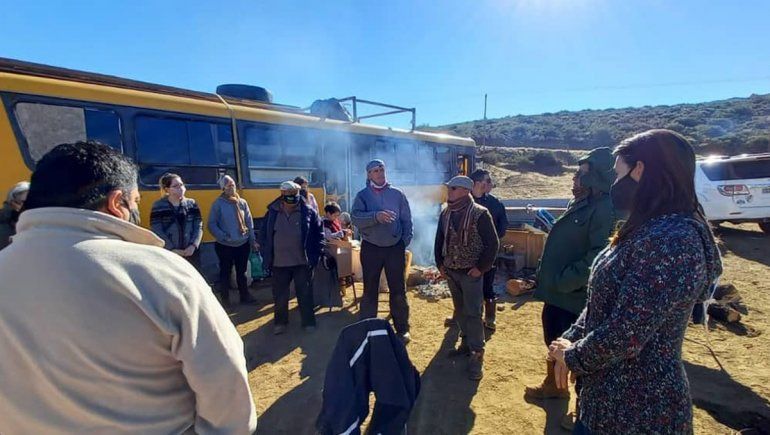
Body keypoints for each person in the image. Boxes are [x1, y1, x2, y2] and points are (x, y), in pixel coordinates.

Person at [0, 141, 256, 433]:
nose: (136, 210)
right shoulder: (160, 273)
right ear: (116, 203)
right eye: (135, 202)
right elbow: (225, 380)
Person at [548, 130, 722, 434]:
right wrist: (570, 337)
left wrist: (573, 355)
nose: (615, 184)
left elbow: (627, 332)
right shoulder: (648, 228)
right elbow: (602, 302)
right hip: (604, 405)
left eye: (618, 173)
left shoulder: (674, 241)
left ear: (640, 170)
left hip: (640, 414)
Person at [524, 147, 617, 407]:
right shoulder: (581, 203)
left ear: (597, 177)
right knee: (554, 339)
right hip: (558, 293)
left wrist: (566, 280)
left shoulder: (606, 208)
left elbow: (600, 254)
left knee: (574, 348)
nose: (575, 179)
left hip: (573, 295)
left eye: (582, 175)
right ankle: (554, 386)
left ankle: (581, 406)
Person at [435, 176, 499, 380]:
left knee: (473, 313)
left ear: (464, 191)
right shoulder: (446, 213)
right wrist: (440, 264)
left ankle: (477, 356)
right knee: (460, 311)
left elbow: (492, 245)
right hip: (452, 271)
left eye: (452, 189)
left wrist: (480, 268)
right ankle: (465, 343)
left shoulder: (480, 214)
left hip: (471, 273)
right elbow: (439, 240)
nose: (449, 192)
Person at [352, 159, 414, 344]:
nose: (380, 173)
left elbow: (407, 220)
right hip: (371, 247)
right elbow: (355, 217)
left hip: (394, 248)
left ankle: (402, 329)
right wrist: (375, 216)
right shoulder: (362, 195)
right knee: (370, 290)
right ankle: (368, 329)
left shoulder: (397, 194)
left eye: (381, 169)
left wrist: (404, 242)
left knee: (398, 290)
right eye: (375, 170)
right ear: (369, 175)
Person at [260, 181, 323, 334]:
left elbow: (318, 236)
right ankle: (280, 323)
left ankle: (308, 322)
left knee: (305, 293)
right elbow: (263, 236)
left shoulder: (308, 212)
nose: (292, 197)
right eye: (288, 194)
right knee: (280, 295)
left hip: (302, 262)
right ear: (282, 194)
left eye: (295, 193)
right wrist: (266, 255)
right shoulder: (272, 212)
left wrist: (315, 257)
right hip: (279, 263)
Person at [208, 174, 258, 305]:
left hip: (242, 244)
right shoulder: (218, 204)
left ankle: (244, 296)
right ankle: (225, 300)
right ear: (223, 188)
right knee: (225, 272)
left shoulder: (242, 203)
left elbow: (249, 222)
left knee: (242, 273)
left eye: (233, 185)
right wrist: (224, 236)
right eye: (228, 186)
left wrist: (252, 240)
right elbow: (211, 224)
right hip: (225, 246)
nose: (232, 188)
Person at [469, 169, 508, 330]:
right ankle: (460, 315)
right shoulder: (463, 201)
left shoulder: (495, 204)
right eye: (487, 181)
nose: (490, 184)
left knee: (487, 287)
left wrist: (489, 242)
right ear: (479, 183)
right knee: (464, 288)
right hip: (466, 254)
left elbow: (502, 228)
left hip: (487, 254)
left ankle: (490, 317)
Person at [150, 173, 203, 271]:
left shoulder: (192, 204)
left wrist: (193, 245)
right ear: (167, 190)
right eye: (175, 186)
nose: (180, 188)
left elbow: (198, 226)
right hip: (170, 253)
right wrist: (172, 249)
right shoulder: (158, 206)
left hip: (191, 252)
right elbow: (157, 230)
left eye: (181, 185)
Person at [0, 181, 29, 250]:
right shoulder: (3, 221)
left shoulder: (31, 221)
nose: (24, 206)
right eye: (21, 201)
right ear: (12, 201)